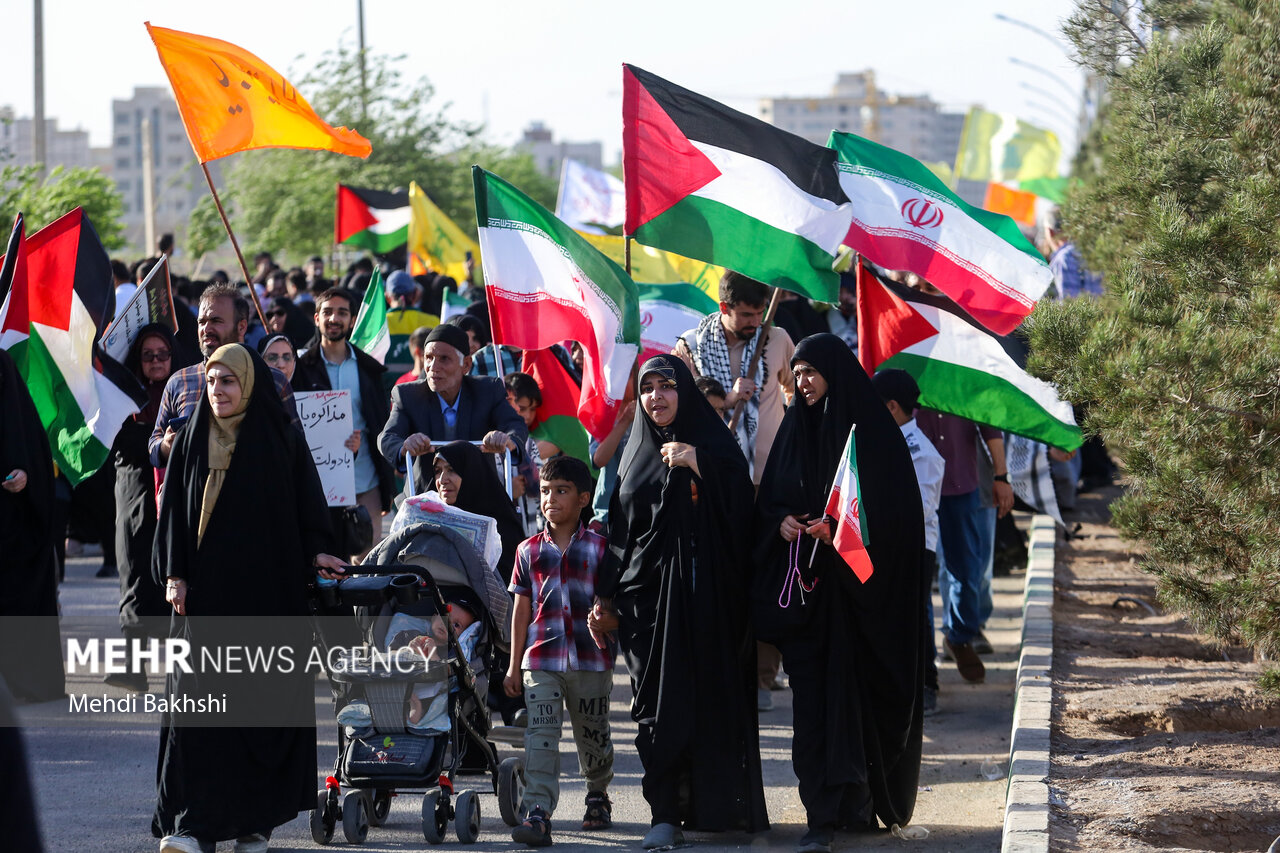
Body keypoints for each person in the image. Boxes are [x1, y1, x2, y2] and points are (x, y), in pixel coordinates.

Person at [151, 344, 344, 853]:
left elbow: (308, 506)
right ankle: (192, 826)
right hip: (202, 598)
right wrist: (173, 574)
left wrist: (321, 551)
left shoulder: (278, 436)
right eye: (213, 382)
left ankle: (253, 822)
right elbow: (172, 510)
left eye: (228, 382)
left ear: (249, 385)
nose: (218, 391)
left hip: (265, 597)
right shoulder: (193, 435)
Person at [754, 335, 925, 853]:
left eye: (809, 372)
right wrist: (782, 523)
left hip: (861, 609)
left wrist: (844, 536)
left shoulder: (872, 436)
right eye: (797, 372)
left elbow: (897, 523)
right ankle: (819, 814)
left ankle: (856, 805)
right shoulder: (794, 431)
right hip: (809, 607)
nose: (801, 383)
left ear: (834, 371)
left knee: (859, 705)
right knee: (812, 712)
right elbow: (768, 505)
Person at [597, 354, 768, 849]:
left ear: (684, 391)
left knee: (708, 703)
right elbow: (620, 532)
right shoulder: (633, 453)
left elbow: (742, 509)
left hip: (705, 604)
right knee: (655, 710)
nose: (656, 397)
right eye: (647, 388)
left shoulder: (714, 444)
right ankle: (664, 813)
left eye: (666, 386)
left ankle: (714, 808)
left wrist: (700, 464)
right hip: (645, 610)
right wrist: (605, 597)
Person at [673, 270, 795, 709]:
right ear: (724, 308)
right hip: (714, 480)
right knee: (720, 575)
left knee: (766, 572)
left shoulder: (777, 338)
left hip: (768, 480)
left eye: (759, 312)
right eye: (745, 314)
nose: (753, 321)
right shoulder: (690, 345)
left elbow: (796, 393)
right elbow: (679, 406)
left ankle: (763, 676)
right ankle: (721, 671)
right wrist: (726, 398)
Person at [503, 456, 615, 847]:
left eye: (562, 491)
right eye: (546, 491)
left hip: (590, 660)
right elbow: (521, 611)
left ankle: (597, 793)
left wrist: (607, 618)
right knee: (540, 737)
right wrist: (514, 665)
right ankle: (537, 813)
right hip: (541, 662)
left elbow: (612, 605)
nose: (551, 499)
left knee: (593, 737)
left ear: (584, 498)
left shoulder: (602, 549)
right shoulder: (527, 551)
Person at [149, 283, 300, 470]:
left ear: (242, 326)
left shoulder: (273, 381)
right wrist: (165, 446)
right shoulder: (180, 381)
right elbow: (154, 445)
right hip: (195, 497)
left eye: (216, 321)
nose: (206, 329)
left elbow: (296, 446)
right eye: (202, 322)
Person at [292, 288, 394, 561]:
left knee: (369, 556)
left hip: (365, 478)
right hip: (319, 482)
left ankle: (366, 606)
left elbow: (380, 424)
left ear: (351, 321)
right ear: (316, 318)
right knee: (327, 557)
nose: (334, 318)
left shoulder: (368, 369)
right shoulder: (300, 368)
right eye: (327, 312)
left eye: (342, 313)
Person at [430, 440, 526, 727]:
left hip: (484, 609)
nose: (443, 479)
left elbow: (512, 577)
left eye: (452, 470)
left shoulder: (499, 520)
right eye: (437, 471)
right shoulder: (430, 514)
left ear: (471, 474)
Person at [107, 325, 179, 693]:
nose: (155, 362)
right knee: (134, 570)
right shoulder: (124, 394)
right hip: (135, 491)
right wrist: (156, 440)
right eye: (148, 355)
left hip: (177, 493)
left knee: (176, 570)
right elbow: (117, 440)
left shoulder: (183, 389)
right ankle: (132, 667)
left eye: (162, 354)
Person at [915, 409, 1012, 683]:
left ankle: (959, 636)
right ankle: (923, 671)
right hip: (915, 484)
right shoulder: (908, 371)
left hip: (961, 484)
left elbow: (991, 427)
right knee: (917, 577)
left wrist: (1001, 477)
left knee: (968, 569)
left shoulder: (967, 376)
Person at [871, 368, 945, 716]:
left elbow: (921, 510)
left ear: (891, 407)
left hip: (914, 547)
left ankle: (926, 684)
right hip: (883, 545)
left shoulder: (922, 452)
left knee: (917, 617)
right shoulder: (879, 439)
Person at [378, 323, 527, 481]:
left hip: (477, 493)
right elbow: (387, 437)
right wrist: (404, 447)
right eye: (429, 358)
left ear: (466, 365)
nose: (433, 367)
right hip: (426, 495)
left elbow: (515, 426)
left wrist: (506, 440)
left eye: (444, 359)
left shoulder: (488, 390)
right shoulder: (407, 395)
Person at [0, 348, 64, 704]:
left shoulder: (13, 396)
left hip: (15, 528)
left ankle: (29, 681)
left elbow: (35, 458)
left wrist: (26, 476)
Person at [384, 270, 439, 387]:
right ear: (416, 294)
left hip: (384, 397)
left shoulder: (377, 325)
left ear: (388, 297)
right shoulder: (433, 322)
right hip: (424, 392)